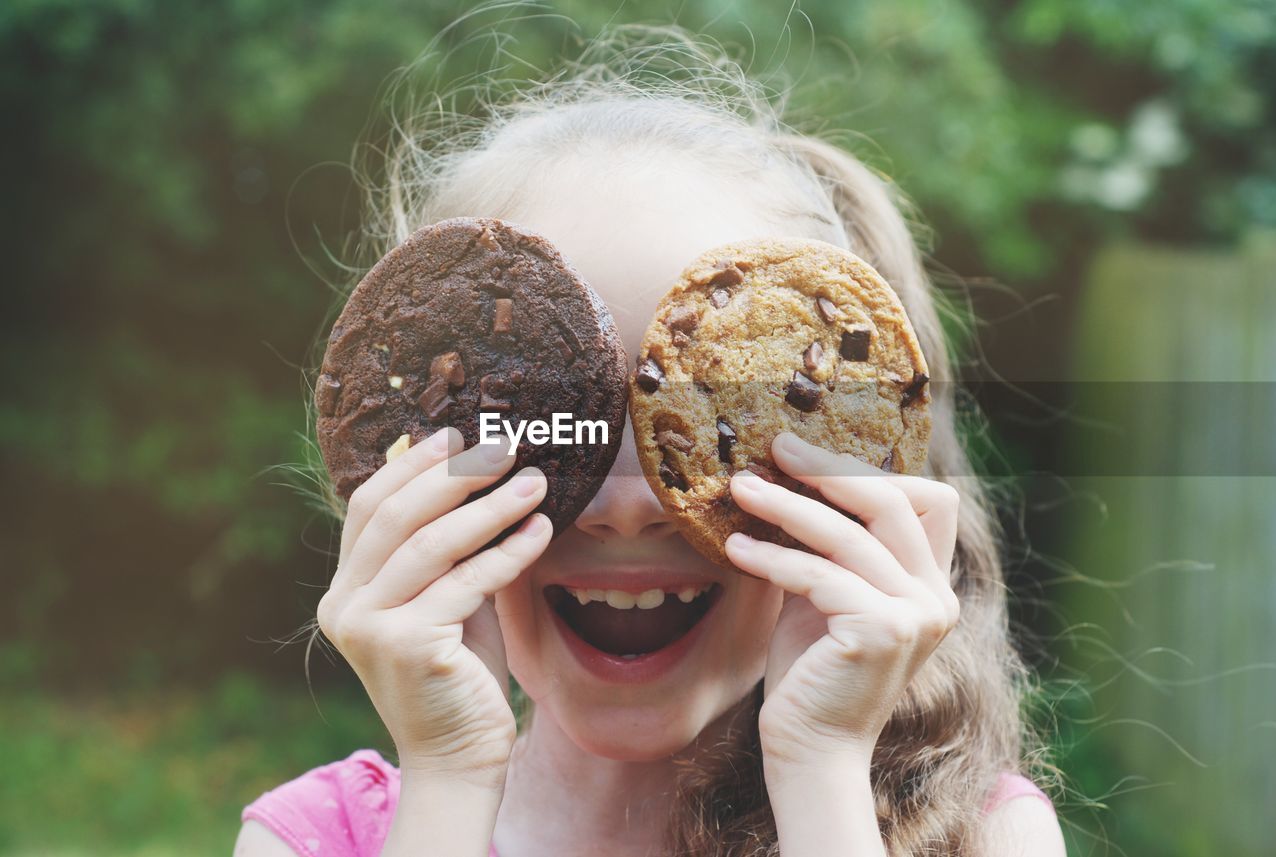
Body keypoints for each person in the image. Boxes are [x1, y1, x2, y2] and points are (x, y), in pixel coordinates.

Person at [234, 21, 1065, 857]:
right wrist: (449, 777)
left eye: (718, 425)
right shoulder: (317, 840)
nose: (629, 510)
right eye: (546, 420)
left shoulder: (985, 837)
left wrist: (820, 773)